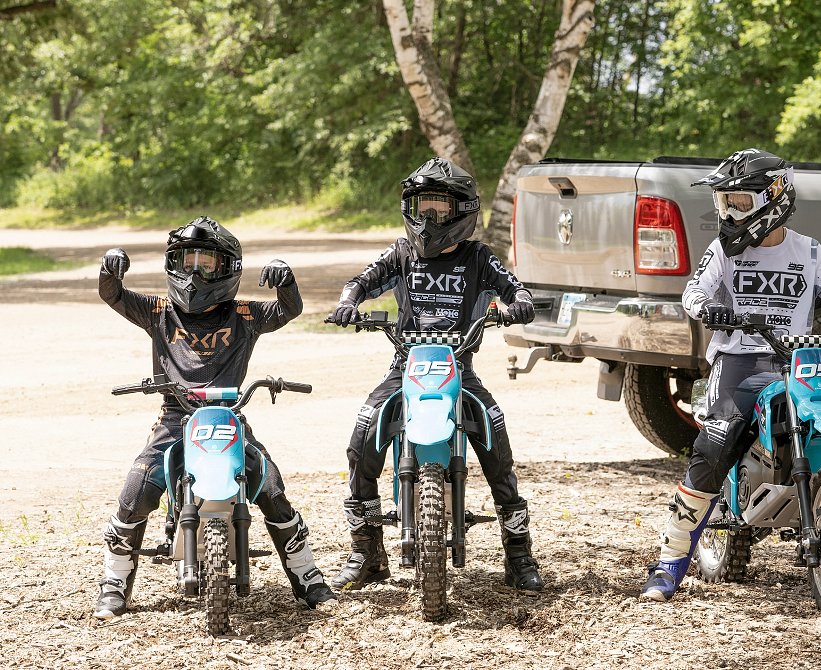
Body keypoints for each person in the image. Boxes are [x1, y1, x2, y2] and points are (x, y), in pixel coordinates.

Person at [640, 148, 821, 603]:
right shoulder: (723, 250)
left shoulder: (809, 251)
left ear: (774, 197)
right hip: (740, 362)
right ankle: (670, 560)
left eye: (739, 203)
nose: (728, 213)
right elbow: (693, 294)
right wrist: (711, 309)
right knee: (716, 442)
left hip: (799, 361)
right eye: (724, 203)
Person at [93, 215, 335, 619]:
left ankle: (308, 578)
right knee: (137, 489)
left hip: (229, 416)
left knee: (271, 490)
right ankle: (115, 584)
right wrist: (109, 268)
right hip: (176, 416)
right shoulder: (158, 310)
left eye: (207, 263)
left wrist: (287, 281)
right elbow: (113, 295)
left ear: (229, 270)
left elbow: (288, 310)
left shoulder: (244, 314)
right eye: (186, 262)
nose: (194, 273)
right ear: (172, 264)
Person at [326, 156, 543, 593]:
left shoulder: (479, 258)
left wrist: (519, 304)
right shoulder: (401, 253)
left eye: (440, 209)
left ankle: (519, 554)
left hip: (459, 367)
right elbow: (361, 281)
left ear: (462, 211)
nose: (429, 218)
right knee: (360, 442)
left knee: (498, 449)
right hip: (404, 366)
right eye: (423, 207)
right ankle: (366, 550)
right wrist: (349, 303)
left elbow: (517, 289)